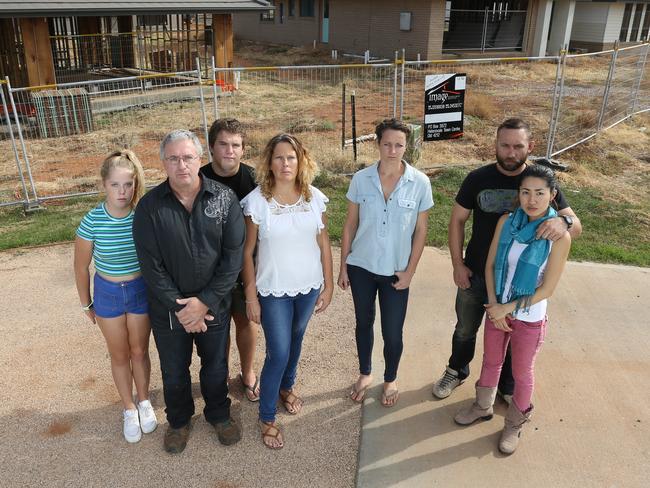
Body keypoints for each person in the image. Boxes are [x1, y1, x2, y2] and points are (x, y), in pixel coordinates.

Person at [432, 118, 582, 402]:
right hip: (478, 272)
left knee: (513, 336)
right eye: (505, 145)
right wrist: (457, 264)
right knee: (465, 329)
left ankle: (506, 384)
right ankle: (456, 370)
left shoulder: (539, 181)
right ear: (496, 145)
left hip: (517, 284)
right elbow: (457, 221)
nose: (511, 152)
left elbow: (575, 225)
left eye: (518, 146)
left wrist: (563, 221)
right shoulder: (477, 179)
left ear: (530, 147)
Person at [132, 130, 245, 454]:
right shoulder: (149, 208)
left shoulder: (224, 199)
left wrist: (205, 302)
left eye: (188, 157)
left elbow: (232, 258)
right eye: (173, 158)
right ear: (163, 162)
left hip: (215, 307)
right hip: (169, 311)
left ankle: (219, 415)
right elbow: (151, 267)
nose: (181, 164)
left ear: (200, 159)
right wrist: (185, 308)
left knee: (215, 367)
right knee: (174, 370)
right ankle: (179, 422)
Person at [454, 164, 571, 454]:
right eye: (526, 192)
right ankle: (482, 407)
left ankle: (514, 424)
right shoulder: (507, 222)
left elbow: (547, 289)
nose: (532, 200)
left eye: (540, 193)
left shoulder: (559, 236)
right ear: (518, 194)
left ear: (552, 195)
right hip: (498, 309)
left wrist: (507, 306)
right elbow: (492, 265)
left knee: (522, 372)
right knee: (491, 362)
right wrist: (495, 304)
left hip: (529, 318)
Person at [241, 133, 333, 450]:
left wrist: (329, 283)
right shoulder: (257, 202)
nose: (285, 163)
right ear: (269, 162)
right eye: (279, 157)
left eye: (291, 157)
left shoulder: (314, 198)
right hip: (273, 291)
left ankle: (285, 387)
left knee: (296, 339)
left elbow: (324, 243)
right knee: (278, 351)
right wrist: (251, 295)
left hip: (307, 287)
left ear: (301, 161)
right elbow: (247, 252)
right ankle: (267, 416)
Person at [338, 118, 434, 408]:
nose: (393, 150)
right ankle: (365, 373)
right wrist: (343, 266)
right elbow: (350, 224)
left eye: (399, 145)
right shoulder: (361, 179)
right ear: (378, 144)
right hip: (362, 267)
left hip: (396, 272)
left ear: (407, 146)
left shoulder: (420, 182)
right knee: (363, 323)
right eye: (387, 144)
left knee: (392, 331)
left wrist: (410, 272)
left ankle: (390, 378)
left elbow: (421, 231)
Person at [74, 149, 157, 443]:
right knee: (120, 354)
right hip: (108, 293)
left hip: (139, 291)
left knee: (139, 350)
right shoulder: (92, 221)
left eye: (128, 185)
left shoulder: (142, 216)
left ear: (135, 184)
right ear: (104, 185)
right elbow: (81, 266)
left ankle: (145, 401)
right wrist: (86, 302)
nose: (122, 192)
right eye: (115, 185)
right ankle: (128, 407)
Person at [200, 118, 260, 402]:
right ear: (212, 147)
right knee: (217, 327)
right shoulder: (197, 179)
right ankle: (220, 374)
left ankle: (247, 372)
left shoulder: (255, 181)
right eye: (223, 144)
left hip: (245, 266)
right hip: (210, 269)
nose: (229, 151)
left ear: (243, 150)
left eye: (236, 145)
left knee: (246, 322)